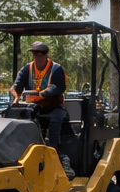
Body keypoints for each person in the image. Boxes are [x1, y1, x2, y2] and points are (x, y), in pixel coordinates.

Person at [10, 41, 73, 176]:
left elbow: (59, 86)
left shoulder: (56, 69)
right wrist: (16, 95)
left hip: (54, 107)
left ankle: (53, 151)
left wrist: (43, 93)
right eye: (35, 54)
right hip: (33, 108)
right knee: (21, 120)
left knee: (55, 119)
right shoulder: (27, 69)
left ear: (45, 55)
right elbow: (17, 85)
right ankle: (21, 152)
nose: (37, 57)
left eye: (40, 54)